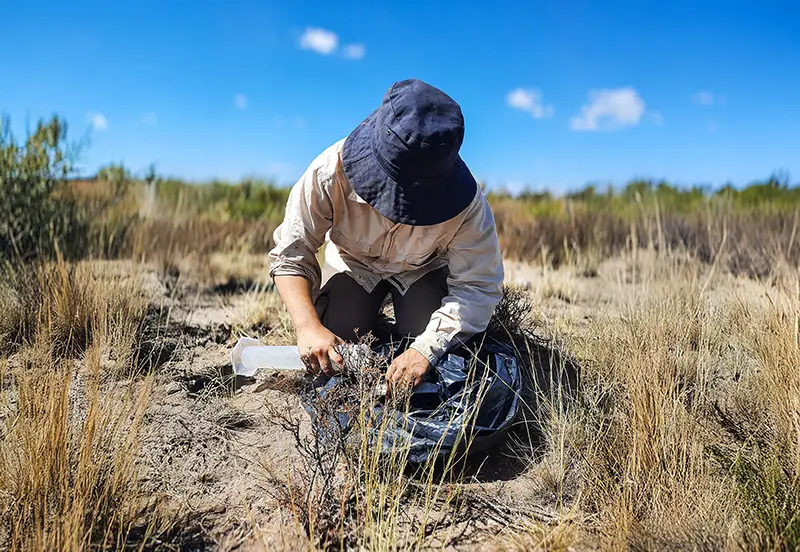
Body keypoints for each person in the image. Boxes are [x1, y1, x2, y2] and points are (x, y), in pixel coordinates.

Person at [268, 78, 503, 388]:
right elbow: (291, 254)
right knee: (337, 334)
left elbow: (477, 287)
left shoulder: (468, 206)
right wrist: (307, 326)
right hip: (353, 265)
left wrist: (424, 350)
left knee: (432, 340)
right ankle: (367, 327)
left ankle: (408, 335)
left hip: (421, 270)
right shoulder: (328, 172)